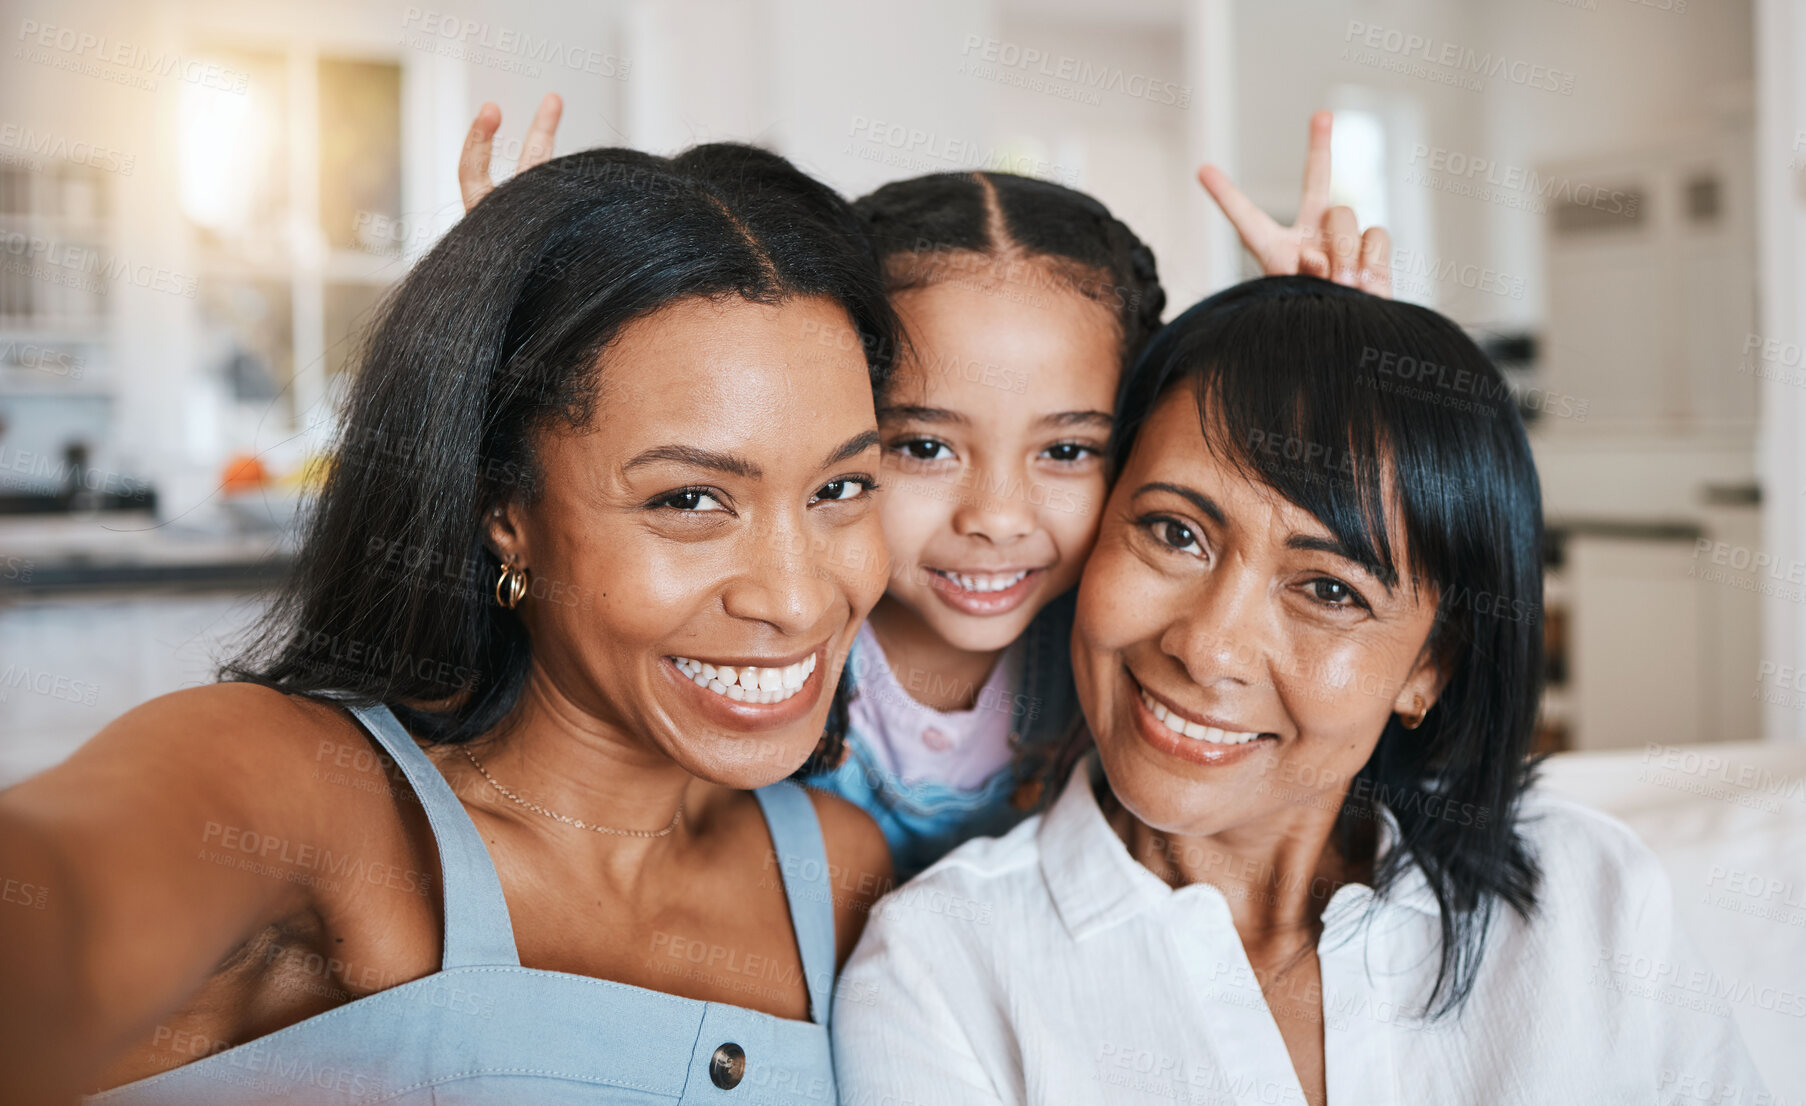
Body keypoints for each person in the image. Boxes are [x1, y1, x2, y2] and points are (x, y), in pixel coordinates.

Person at [0, 141, 895, 1105]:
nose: (798, 599)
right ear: (503, 514)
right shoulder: (293, 792)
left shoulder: (835, 870)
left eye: (841, 488)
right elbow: (58, 910)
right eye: (688, 500)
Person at [832, 275, 1769, 1104]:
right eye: (1173, 533)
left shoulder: (1588, 895)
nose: (1209, 648)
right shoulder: (939, 970)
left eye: (1328, 590)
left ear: (1429, 666)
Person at [465, 97, 1394, 881]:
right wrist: (527, 325)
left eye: (1067, 453)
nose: (996, 519)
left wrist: (1319, 371)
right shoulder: (762, 635)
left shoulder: (1131, 658)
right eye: (921, 448)